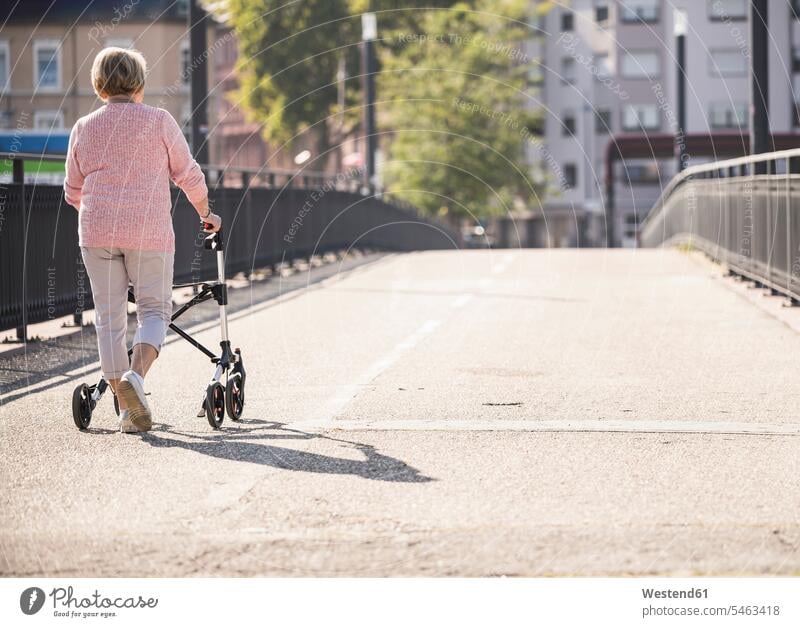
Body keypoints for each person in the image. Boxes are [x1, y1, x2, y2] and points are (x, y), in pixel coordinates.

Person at [64, 47, 222, 433]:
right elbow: (189, 174)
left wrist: (101, 214)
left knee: (109, 319)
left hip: (96, 232)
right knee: (154, 311)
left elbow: (72, 191)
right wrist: (207, 214)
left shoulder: (83, 127)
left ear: (99, 84)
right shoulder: (160, 121)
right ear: (139, 82)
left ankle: (124, 407)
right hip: (148, 231)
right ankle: (136, 380)